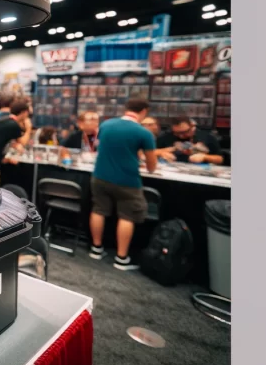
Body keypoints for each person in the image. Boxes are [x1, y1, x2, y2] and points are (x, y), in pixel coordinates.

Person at [89, 98, 158, 271]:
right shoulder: (144, 133)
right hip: (127, 181)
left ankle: (96, 249)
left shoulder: (106, 125)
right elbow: (152, 166)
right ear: (143, 111)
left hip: (100, 176)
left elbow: (98, 147)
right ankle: (121, 258)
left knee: (98, 210)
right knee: (127, 216)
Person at [155, 116, 224, 164]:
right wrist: (161, 153)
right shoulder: (166, 137)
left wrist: (205, 157)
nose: (181, 136)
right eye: (177, 133)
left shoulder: (207, 137)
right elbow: (149, 152)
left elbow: (220, 159)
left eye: (184, 132)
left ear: (192, 127)